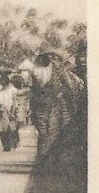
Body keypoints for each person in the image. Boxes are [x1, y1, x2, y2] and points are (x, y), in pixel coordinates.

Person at [29, 50, 87, 178]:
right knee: (45, 135)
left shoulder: (63, 73)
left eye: (54, 58)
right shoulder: (36, 70)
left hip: (59, 108)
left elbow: (72, 89)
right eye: (48, 57)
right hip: (43, 107)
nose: (51, 59)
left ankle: (52, 165)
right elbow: (34, 90)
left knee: (58, 136)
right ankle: (44, 164)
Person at [0, 72, 20, 152]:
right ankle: (5, 145)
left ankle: (12, 143)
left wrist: (12, 112)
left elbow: (15, 101)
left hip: (10, 110)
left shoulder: (13, 90)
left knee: (11, 128)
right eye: (1, 80)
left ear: (7, 81)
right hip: (1, 111)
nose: (2, 82)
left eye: (3, 80)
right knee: (1, 129)